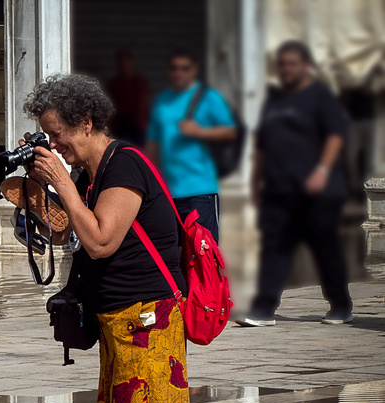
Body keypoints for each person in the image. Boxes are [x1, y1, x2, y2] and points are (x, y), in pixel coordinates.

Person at [24, 73, 197, 403]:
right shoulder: (93, 175)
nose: (54, 145)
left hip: (147, 322)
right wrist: (38, 188)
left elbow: (100, 240)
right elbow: (69, 235)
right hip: (119, 323)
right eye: (47, 137)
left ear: (87, 122)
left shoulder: (124, 168)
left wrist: (61, 183)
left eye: (58, 135)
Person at [237, 41, 352, 327]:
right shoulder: (274, 99)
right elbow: (262, 145)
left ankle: (341, 304)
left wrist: (322, 170)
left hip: (318, 193)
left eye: (292, 64)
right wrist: (255, 182)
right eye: (283, 64)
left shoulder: (320, 97)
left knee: (325, 249)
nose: (287, 69)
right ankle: (264, 308)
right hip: (279, 190)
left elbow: (336, 135)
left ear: (306, 66)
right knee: (275, 248)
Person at [146, 49, 237, 241]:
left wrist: (200, 132)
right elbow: (153, 143)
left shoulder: (208, 97)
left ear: (194, 70)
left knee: (203, 257)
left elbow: (230, 132)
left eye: (184, 68)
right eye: (174, 68)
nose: (179, 72)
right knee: (173, 255)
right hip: (168, 193)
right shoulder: (162, 100)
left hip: (200, 191)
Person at [105, 51, 151, 144]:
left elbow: (146, 102)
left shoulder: (140, 82)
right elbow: (109, 104)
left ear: (131, 62)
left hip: (138, 127)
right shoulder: (114, 83)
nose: (124, 65)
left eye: (126, 61)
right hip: (120, 126)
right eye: (121, 62)